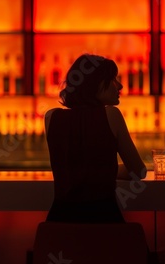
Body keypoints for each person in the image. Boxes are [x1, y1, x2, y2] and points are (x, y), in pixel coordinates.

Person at [43, 53, 146, 223]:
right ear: (94, 85)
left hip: (60, 225)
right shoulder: (111, 115)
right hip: (104, 222)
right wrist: (105, 170)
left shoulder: (51, 117)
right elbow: (138, 171)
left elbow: (70, 167)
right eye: (112, 79)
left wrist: (95, 170)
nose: (119, 86)